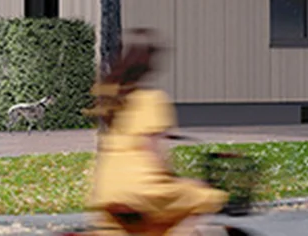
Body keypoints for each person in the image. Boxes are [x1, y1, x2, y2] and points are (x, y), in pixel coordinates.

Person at [87, 34, 228, 235]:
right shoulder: (153, 99)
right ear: (149, 66)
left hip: (107, 189)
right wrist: (175, 178)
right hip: (142, 190)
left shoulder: (113, 100)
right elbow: (152, 150)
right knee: (204, 197)